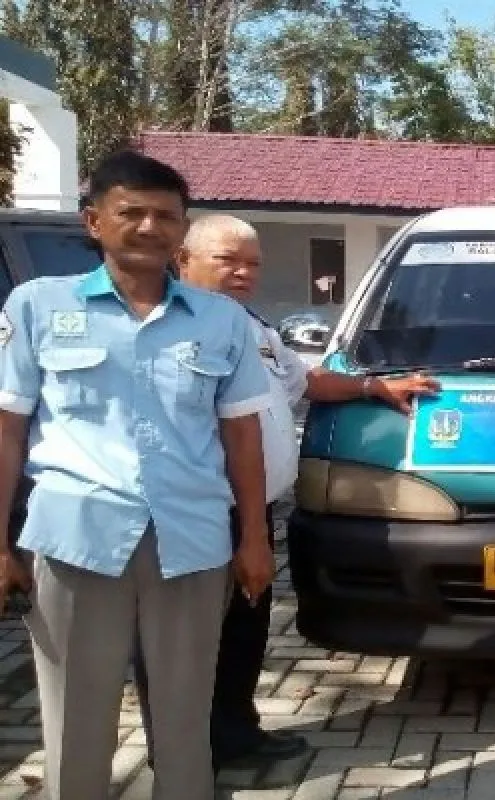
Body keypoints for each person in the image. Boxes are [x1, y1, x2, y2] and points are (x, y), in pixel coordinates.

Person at [0, 150, 274, 799]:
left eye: (166, 215)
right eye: (132, 212)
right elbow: (7, 428)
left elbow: (242, 435)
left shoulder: (221, 320)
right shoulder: (38, 306)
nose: (150, 227)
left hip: (192, 542)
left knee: (185, 721)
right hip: (75, 539)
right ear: (94, 221)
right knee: (76, 721)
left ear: (182, 230)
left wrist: (255, 538)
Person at [131, 213, 441, 769]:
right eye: (228, 261)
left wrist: (374, 386)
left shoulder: (249, 325)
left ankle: (235, 733)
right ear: (183, 260)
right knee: (187, 640)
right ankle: (186, 757)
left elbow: (304, 381)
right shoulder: (168, 327)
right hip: (195, 511)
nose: (243, 273)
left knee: (243, 628)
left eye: (252, 264)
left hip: (249, 508)